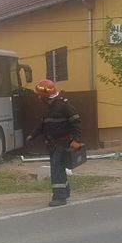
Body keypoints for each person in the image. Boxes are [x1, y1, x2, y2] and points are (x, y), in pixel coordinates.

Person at [26, 79, 83, 207]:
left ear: (47, 95)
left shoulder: (64, 106)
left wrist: (76, 140)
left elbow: (76, 123)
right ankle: (65, 191)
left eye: (40, 94)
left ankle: (59, 197)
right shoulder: (49, 107)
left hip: (62, 142)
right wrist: (32, 135)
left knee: (56, 168)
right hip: (52, 144)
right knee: (59, 168)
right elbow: (43, 124)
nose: (39, 97)